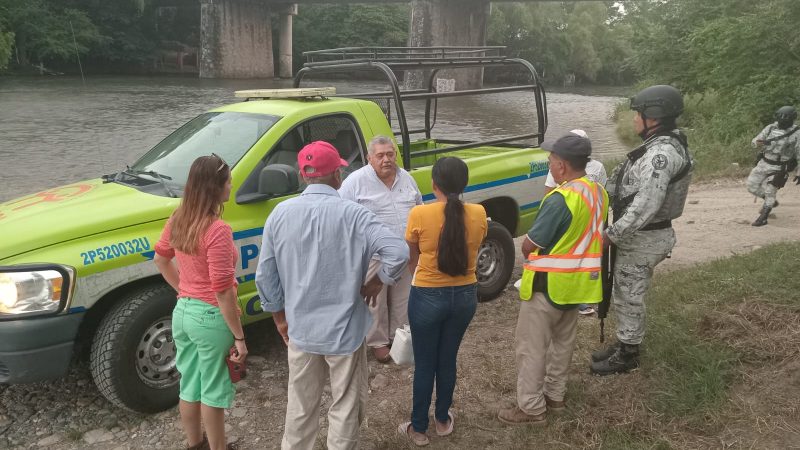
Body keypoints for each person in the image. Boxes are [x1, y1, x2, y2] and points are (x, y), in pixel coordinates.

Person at [255, 141, 409, 450]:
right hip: (345, 333)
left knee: (300, 408)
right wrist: (377, 282)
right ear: (337, 174)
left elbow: (266, 275)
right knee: (346, 406)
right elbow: (398, 251)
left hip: (302, 330)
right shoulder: (354, 214)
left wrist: (280, 318)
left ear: (303, 174)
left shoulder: (279, 214)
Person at [497, 133, 608, 425]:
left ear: (562, 166)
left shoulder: (561, 198)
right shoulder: (597, 192)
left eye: (551, 160)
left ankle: (531, 408)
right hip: (577, 285)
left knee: (532, 348)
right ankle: (555, 396)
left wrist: (529, 246)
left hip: (547, 286)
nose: (549, 163)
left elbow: (529, 244)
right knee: (563, 343)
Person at [590, 85, 693, 376]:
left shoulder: (660, 154)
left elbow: (647, 203)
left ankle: (628, 354)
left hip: (645, 237)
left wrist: (611, 236)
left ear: (654, 116)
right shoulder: (659, 146)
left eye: (638, 113)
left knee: (630, 293)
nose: (634, 119)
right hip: (641, 235)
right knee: (625, 292)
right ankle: (626, 341)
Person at [153, 154, 246, 450]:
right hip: (210, 318)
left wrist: (186, 289)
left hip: (183, 312)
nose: (231, 186)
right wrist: (240, 338)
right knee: (214, 391)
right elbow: (223, 291)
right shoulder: (217, 230)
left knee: (190, 384)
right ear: (215, 188)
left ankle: (195, 445)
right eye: (228, 181)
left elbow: (161, 259)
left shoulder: (179, 217)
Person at [399, 157, 488, 446]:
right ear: (464, 184)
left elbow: (411, 255)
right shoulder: (478, 213)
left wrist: (421, 278)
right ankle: (442, 419)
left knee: (425, 363)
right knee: (447, 359)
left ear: (433, 184)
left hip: (427, 294)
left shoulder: (419, 214)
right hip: (464, 296)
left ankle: (419, 428)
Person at [339, 135, 423, 363]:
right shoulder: (355, 182)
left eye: (390, 154)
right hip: (372, 255)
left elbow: (419, 209)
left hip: (405, 252)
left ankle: (400, 338)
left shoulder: (406, 178)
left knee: (404, 299)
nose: (386, 159)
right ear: (369, 158)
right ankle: (378, 342)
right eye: (380, 155)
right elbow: (341, 218)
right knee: (375, 302)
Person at [543, 129, 608, 316]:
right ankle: (569, 298)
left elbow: (600, 192)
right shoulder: (557, 167)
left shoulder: (598, 167)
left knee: (582, 259)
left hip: (585, 219)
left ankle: (580, 298)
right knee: (567, 258)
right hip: (564, 216)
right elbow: (549, 191)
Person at [747, 105, 800, 226]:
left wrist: (799, 172)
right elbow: (755, 140)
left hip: (779, 167)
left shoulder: (797, 134)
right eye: (780, 117)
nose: (782, 120)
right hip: (764, 163)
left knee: (771, 191)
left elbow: (799, 154)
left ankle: (764, 217)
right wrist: (758, 143)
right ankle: (770, 201)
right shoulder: (771, 128)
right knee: (751, 186)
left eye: (785, 118)